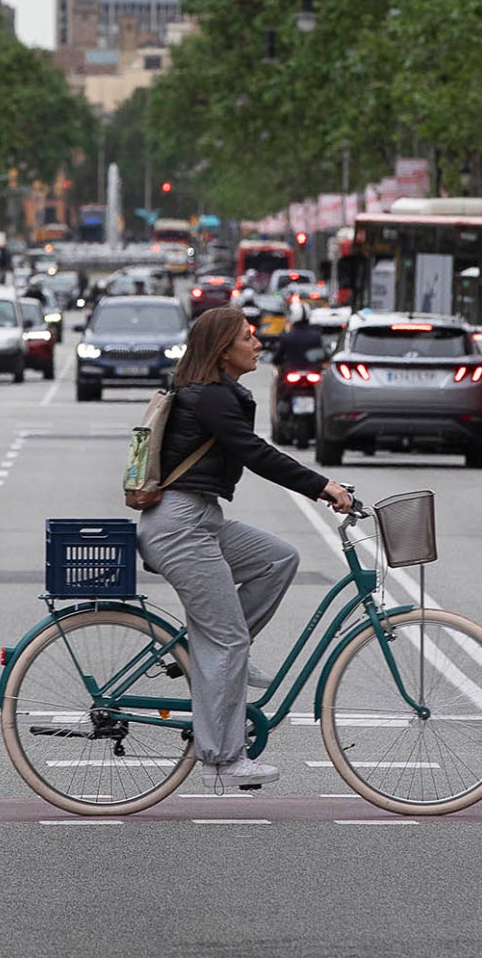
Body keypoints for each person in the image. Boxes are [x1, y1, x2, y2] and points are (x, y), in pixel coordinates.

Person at [135, 305, 355, 792]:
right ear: (222, 350)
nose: (258, 345)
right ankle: (221, 758)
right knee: (227, 640)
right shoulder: (210, 397)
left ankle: (210, 654)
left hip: (198, 516)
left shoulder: (213, 393)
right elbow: (256, 454)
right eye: (248, 338)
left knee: (278, 558)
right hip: (180, 526)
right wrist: (324, 487)